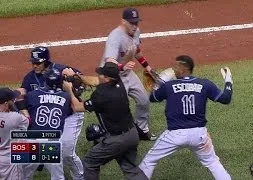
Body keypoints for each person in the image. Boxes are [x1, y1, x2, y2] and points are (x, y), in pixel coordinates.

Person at [139, 55, 233, 180]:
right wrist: (228, 82)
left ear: (184, 69)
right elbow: (226, 99)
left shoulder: (169, 86)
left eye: (176, 67)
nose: (173, 69)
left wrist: (158, 84)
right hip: (199, 135)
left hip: (175, 135)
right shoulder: (205, 84)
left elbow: (152, 97)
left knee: (148, 161)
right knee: (213, 163)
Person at [63, 62, 148, 180]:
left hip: (117, 139)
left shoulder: (102, 95)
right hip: (132, 134)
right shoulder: (119, 83)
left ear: (107, 78)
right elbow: (94, 81)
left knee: (89, 163)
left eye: (101, 74)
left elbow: (77, 107)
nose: (99, 75)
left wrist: (69, 90)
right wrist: (78, 77)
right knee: (130, 168)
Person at [17, 46, 84, 179]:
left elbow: (81, 85)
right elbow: (21, 94)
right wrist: (24, 111)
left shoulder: (61, 70)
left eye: (38, 63)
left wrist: (74, 77)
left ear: (46, 61)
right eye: (33, 62)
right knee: (37, 148)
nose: (34, 65)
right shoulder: (29, 78)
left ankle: (80, 176)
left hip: (70, 115)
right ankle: (40, 161)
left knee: (66, 152)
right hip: (47, 117)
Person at [99, 7, 157, 141]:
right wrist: (122, 66)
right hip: (112, 76)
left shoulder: (136, 32)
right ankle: (106, 132)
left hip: (128, 74)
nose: (135, 26)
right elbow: (110, 62)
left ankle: (141, 129)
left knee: (144, 100)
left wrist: (147, 66)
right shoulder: (115, 37)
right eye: (132, 23)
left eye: (136, 22)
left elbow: (136, 50)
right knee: (116, 107)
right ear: (123, 21)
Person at [16, 68, 73, 180]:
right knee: (58, 177)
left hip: (31, 138)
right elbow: (70, 112)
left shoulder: (32, 95)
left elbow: (20, 104)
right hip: (52, 141)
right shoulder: (66, 98)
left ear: (45, 81)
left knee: (21, 176)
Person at [0, 88, 29, 180]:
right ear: (6, 103)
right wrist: (21, 105)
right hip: (9, 158)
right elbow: (28, 120)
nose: (14, 101)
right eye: (12, 100)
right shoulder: (15, 118)